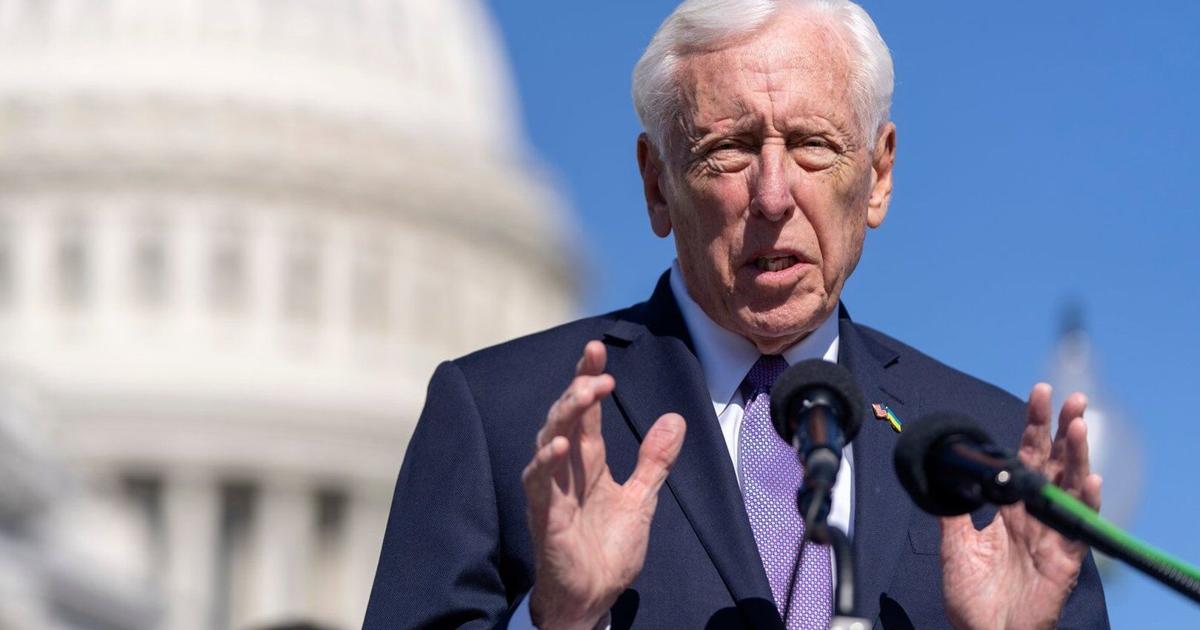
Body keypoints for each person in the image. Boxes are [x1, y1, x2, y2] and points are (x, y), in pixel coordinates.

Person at [364, 1, 1110, 628]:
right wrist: (560, 620)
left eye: (813, 145)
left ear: (878, 176)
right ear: (658, 185)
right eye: (729, 150)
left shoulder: (987, 451)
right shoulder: (503, 417)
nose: (774, 196)